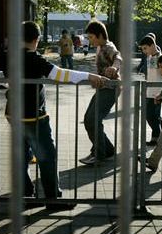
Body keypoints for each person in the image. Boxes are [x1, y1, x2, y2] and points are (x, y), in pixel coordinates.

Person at [14, 21, 108, 210]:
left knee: (22, 154)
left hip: (14, 114)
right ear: (37, 39)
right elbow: (61, 74)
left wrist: (7, 84)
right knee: (48, 156)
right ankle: (53, 199)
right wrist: (89, 76)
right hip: (34, 116)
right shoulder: (35, 60)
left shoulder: (9, 57)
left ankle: (25, 194)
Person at [79, 20, 122, 165]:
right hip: (103, 88)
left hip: (110, 89)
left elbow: (118, 57)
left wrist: (114, 68)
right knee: (88, 119)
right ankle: (108, 149)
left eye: (91, 37)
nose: (90, 41)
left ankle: (99, 154)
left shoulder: (108, 46)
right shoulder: (100, 47)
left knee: (92, 120)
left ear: (100, 35)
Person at [137, 34, 162, 146]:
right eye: (142, 49)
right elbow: (150, 73)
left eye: (145, 48)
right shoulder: (149, 57)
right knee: (150, 115)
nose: (143, 51)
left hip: (157, 92)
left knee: (151, 116)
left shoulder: (160, 58)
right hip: (149, 91)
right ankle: (158, 133)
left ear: (152, 45)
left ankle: (156, 137)